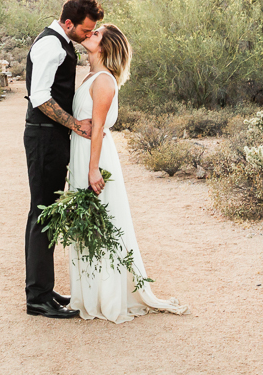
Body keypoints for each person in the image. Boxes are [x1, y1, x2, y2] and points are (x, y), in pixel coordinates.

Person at [67, 23, 187, 323]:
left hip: (95, 159)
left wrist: (93, 169)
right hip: (83, 154)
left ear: (106, 47)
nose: (89, 34)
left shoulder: (104, 81)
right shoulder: (92, 76)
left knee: (102, 221)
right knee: (88, 222)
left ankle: (107, 297)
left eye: (96, 34)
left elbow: (97, 129)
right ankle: (91, 292)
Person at [22, 0, 102, 318]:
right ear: (68, 23)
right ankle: (36, 298)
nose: (86, 36)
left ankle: (43, 288)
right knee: (42, 212)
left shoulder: (63, 43)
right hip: (44, 138)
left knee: (49, 212)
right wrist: (74, 124)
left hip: (53, 138)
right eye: (85, 30)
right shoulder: (50, 45)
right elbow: (40, 96)